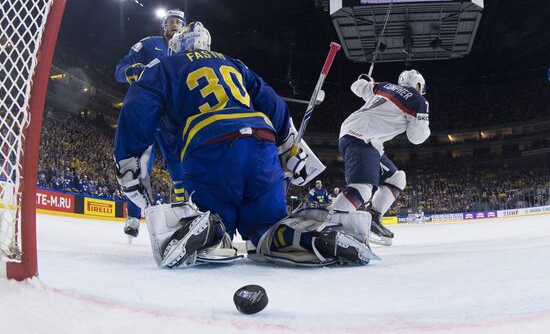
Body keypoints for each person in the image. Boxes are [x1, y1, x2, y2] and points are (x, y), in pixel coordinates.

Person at [114, 24, 378, 268]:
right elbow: (272, 101)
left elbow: (137, 109)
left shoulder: (162, 65)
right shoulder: (234, 63)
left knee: (216, 216)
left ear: (176, 47)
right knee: (267, 226)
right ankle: (311, 236)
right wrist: (287, 146)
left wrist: (128, 163)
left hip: (210, 147)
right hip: (260, 142)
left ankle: (213, 232)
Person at [331, 70, 430, 245]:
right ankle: (331, 226)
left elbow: (357, 87)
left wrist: (364, 79)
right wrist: (425, 128)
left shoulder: (384, 86)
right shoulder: (419, 100)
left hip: (362, 137)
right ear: (419, 85)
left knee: (397, 179)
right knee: (362, 189)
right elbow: (416, 138)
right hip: (362, 136)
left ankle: (373, 218)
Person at [114, 9, 187, 239]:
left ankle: (182, 213)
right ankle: (134, 217)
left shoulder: (190, 51)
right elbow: (120, 69)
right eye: (170, 21)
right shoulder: (147, 45)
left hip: (173, 115)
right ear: (163, 26)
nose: (174, 24)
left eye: (179, 21)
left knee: (178, 164)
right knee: (138, 165)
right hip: (146, 113)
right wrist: (131, 71)